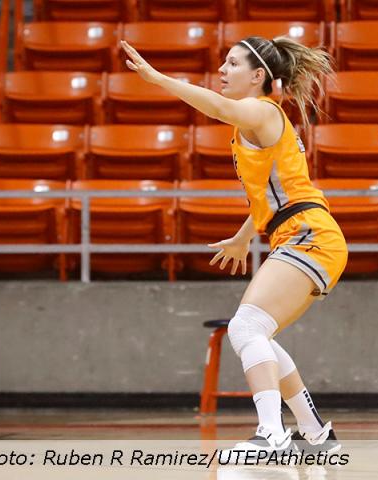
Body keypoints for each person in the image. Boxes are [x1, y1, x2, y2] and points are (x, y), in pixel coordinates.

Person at [122, 37, 347, 455]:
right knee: (259, 334)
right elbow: (273, 193)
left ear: (258, 76)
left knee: (246, 328)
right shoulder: (256, 122)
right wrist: (245, 235)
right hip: (302, 232)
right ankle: (315, 432)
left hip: (309, 234)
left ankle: (272, 434)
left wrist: (155, 78)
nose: (222, 70)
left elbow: (216, 106)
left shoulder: (260, 111)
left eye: (231, 63)